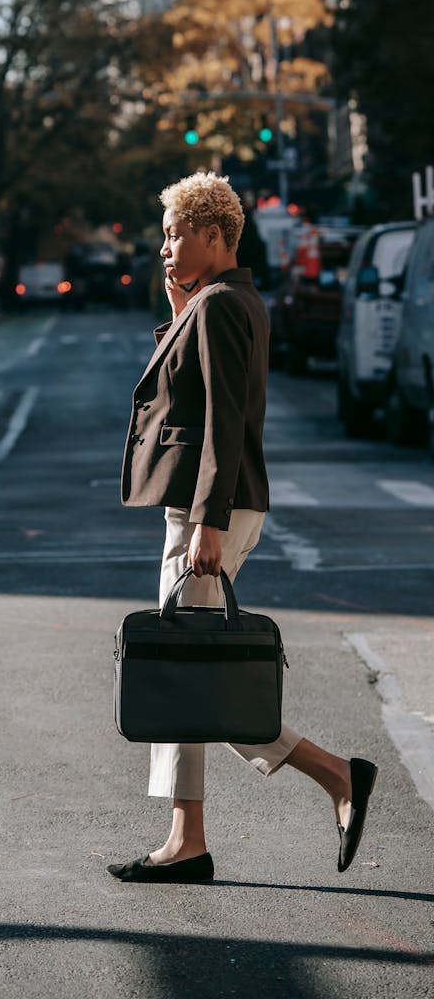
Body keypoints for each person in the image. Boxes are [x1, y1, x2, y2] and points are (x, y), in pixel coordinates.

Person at [110, 172, 377, 884]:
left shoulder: (224, 307)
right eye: (164, 234)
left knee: (193, 676)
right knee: (186, 671)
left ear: (215, 234)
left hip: (213, 508)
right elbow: (189, 386)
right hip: (206, 506)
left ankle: (335, 776)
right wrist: (179, 305)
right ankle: (188, 837)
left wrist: (208, 523)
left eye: (176, 234)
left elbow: (224, 422)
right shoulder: (221, 302)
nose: (165, 247)